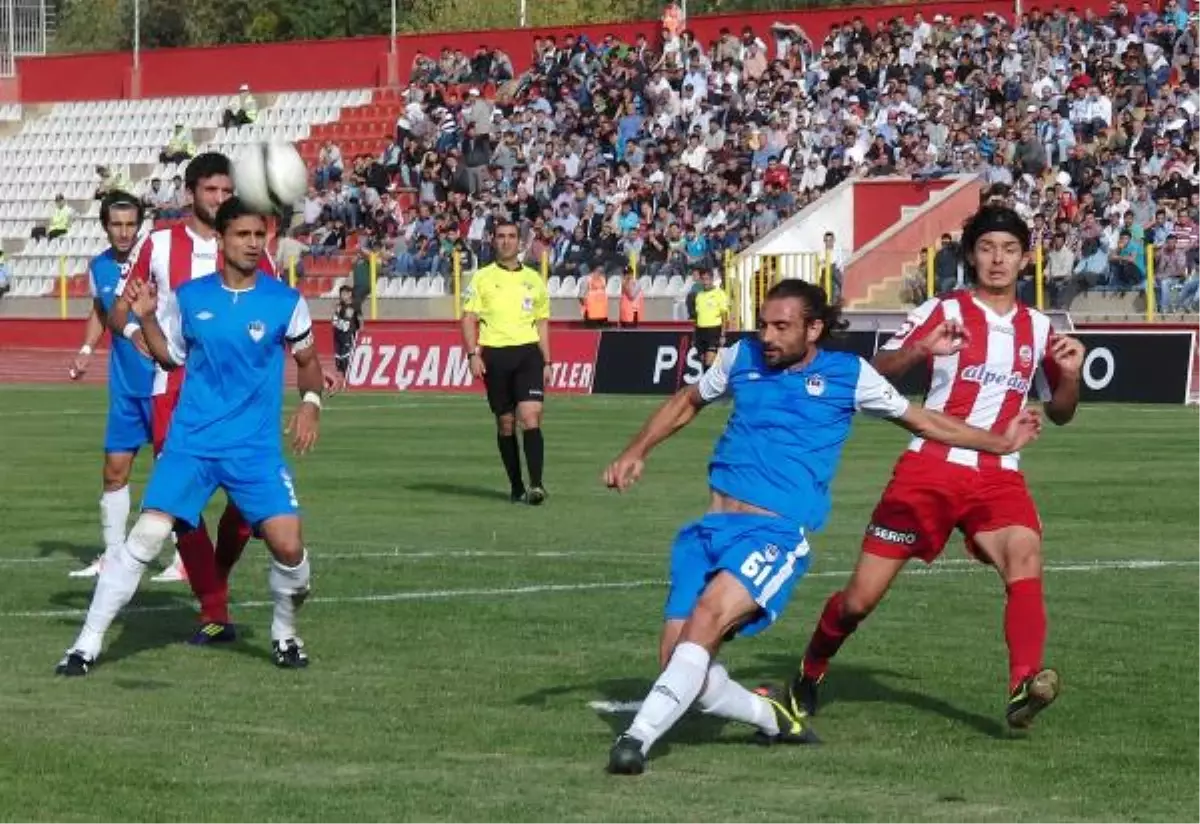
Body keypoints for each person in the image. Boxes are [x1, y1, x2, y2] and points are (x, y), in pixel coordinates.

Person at [602, 278, 1044, 775]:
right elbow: (687, 402)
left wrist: (998, 443)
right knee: (678, 661)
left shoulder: (848, 375)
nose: (766, 336)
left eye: (781, 326)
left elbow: (924, 422)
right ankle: (772, 717)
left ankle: (635, 741)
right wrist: (635, 451)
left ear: (813, 329)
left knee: (707, 617)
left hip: (773, 537)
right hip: (710, 530)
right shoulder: (739, 358)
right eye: (763, 324)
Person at [785, 205, 1085, 732]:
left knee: (1024, 553)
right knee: (859, 601)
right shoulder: (939, 310)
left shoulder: (1039, 327)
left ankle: (1023, 685)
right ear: (971, 254)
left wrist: (1072, 375)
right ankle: (810, 670)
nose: (998, 259)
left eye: (1010, 250)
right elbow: (875, 374)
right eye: (988, 248)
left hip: (999, 470)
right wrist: (924, 347)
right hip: (930, 469)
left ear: (1024, 260)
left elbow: (1060, 413)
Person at [56, 197, 323, 676]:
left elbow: (308, 363)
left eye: (258, 236)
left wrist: (310, 404)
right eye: (241, 235)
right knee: (145, 539)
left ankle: (285, 632)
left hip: (254, 449)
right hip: (192, 444)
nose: (251, 244)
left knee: (289, 548)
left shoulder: (286, 301)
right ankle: (85, 646)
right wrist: (149, 317)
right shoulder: (191, 296)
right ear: (220, 240)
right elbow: (170, 358)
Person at [108, 151, 272, 640]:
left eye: (226, 191)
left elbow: (275, 310)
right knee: (181, 507)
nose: (220, 199)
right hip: (174, 389)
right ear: (190, 194)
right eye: (210, 191)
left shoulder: (248, 245)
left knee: (244, 510)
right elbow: (120, 309)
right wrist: (139, 335)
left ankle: (212, 582)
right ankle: (215, 610)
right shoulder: (158, 244)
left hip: (238, 396)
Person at [66, 192, 174, 580]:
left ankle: (184, 560)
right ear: (105, 226)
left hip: (164, 382)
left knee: (173, 472)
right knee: (114, 471)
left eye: (131, 224)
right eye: (117, 224)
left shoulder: (158, 259)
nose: (125, 232)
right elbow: (100, 312)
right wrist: (85, 348)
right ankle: (112, 556)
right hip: (126, 385)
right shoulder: (99, 267)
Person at [460, 220, 552, 505]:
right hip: (496, 355)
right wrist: (473, 354)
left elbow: (542, 322)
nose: (506, 241)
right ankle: (516, 486)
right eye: (501, 236)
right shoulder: (482, 278)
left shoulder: (534, 279)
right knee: (506, 423)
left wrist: (548, 360)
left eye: (512, 236)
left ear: (520, 242)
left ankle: (536, 485)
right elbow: (468, 318)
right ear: (493, 241)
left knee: (531, 416)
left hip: (528, 354)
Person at [692, 268, 728, 370]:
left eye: (707, 279)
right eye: (703, 279)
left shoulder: (719, 293)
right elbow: (697, 316)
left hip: (713, 330)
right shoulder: (699, 295)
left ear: (712, 280)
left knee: (709, 363)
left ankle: (712, 385)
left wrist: (723, 335)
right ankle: (707, 384)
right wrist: (694, 336)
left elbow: (724, 315)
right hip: (700, 331)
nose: (705, 282)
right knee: (703, 363)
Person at [331, 284, 363, 393]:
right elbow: (335, 319)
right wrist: (336, 320)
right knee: (338, 359)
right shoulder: (339, 306)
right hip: (338, 335)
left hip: (349, 335)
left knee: (346, 358)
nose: (342, 296)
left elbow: (360, 319)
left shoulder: (355, 305)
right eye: (341, 294)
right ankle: (340, 381)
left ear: (350, 294)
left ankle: (347, 381)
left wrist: (361, 330)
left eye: (345, 293)